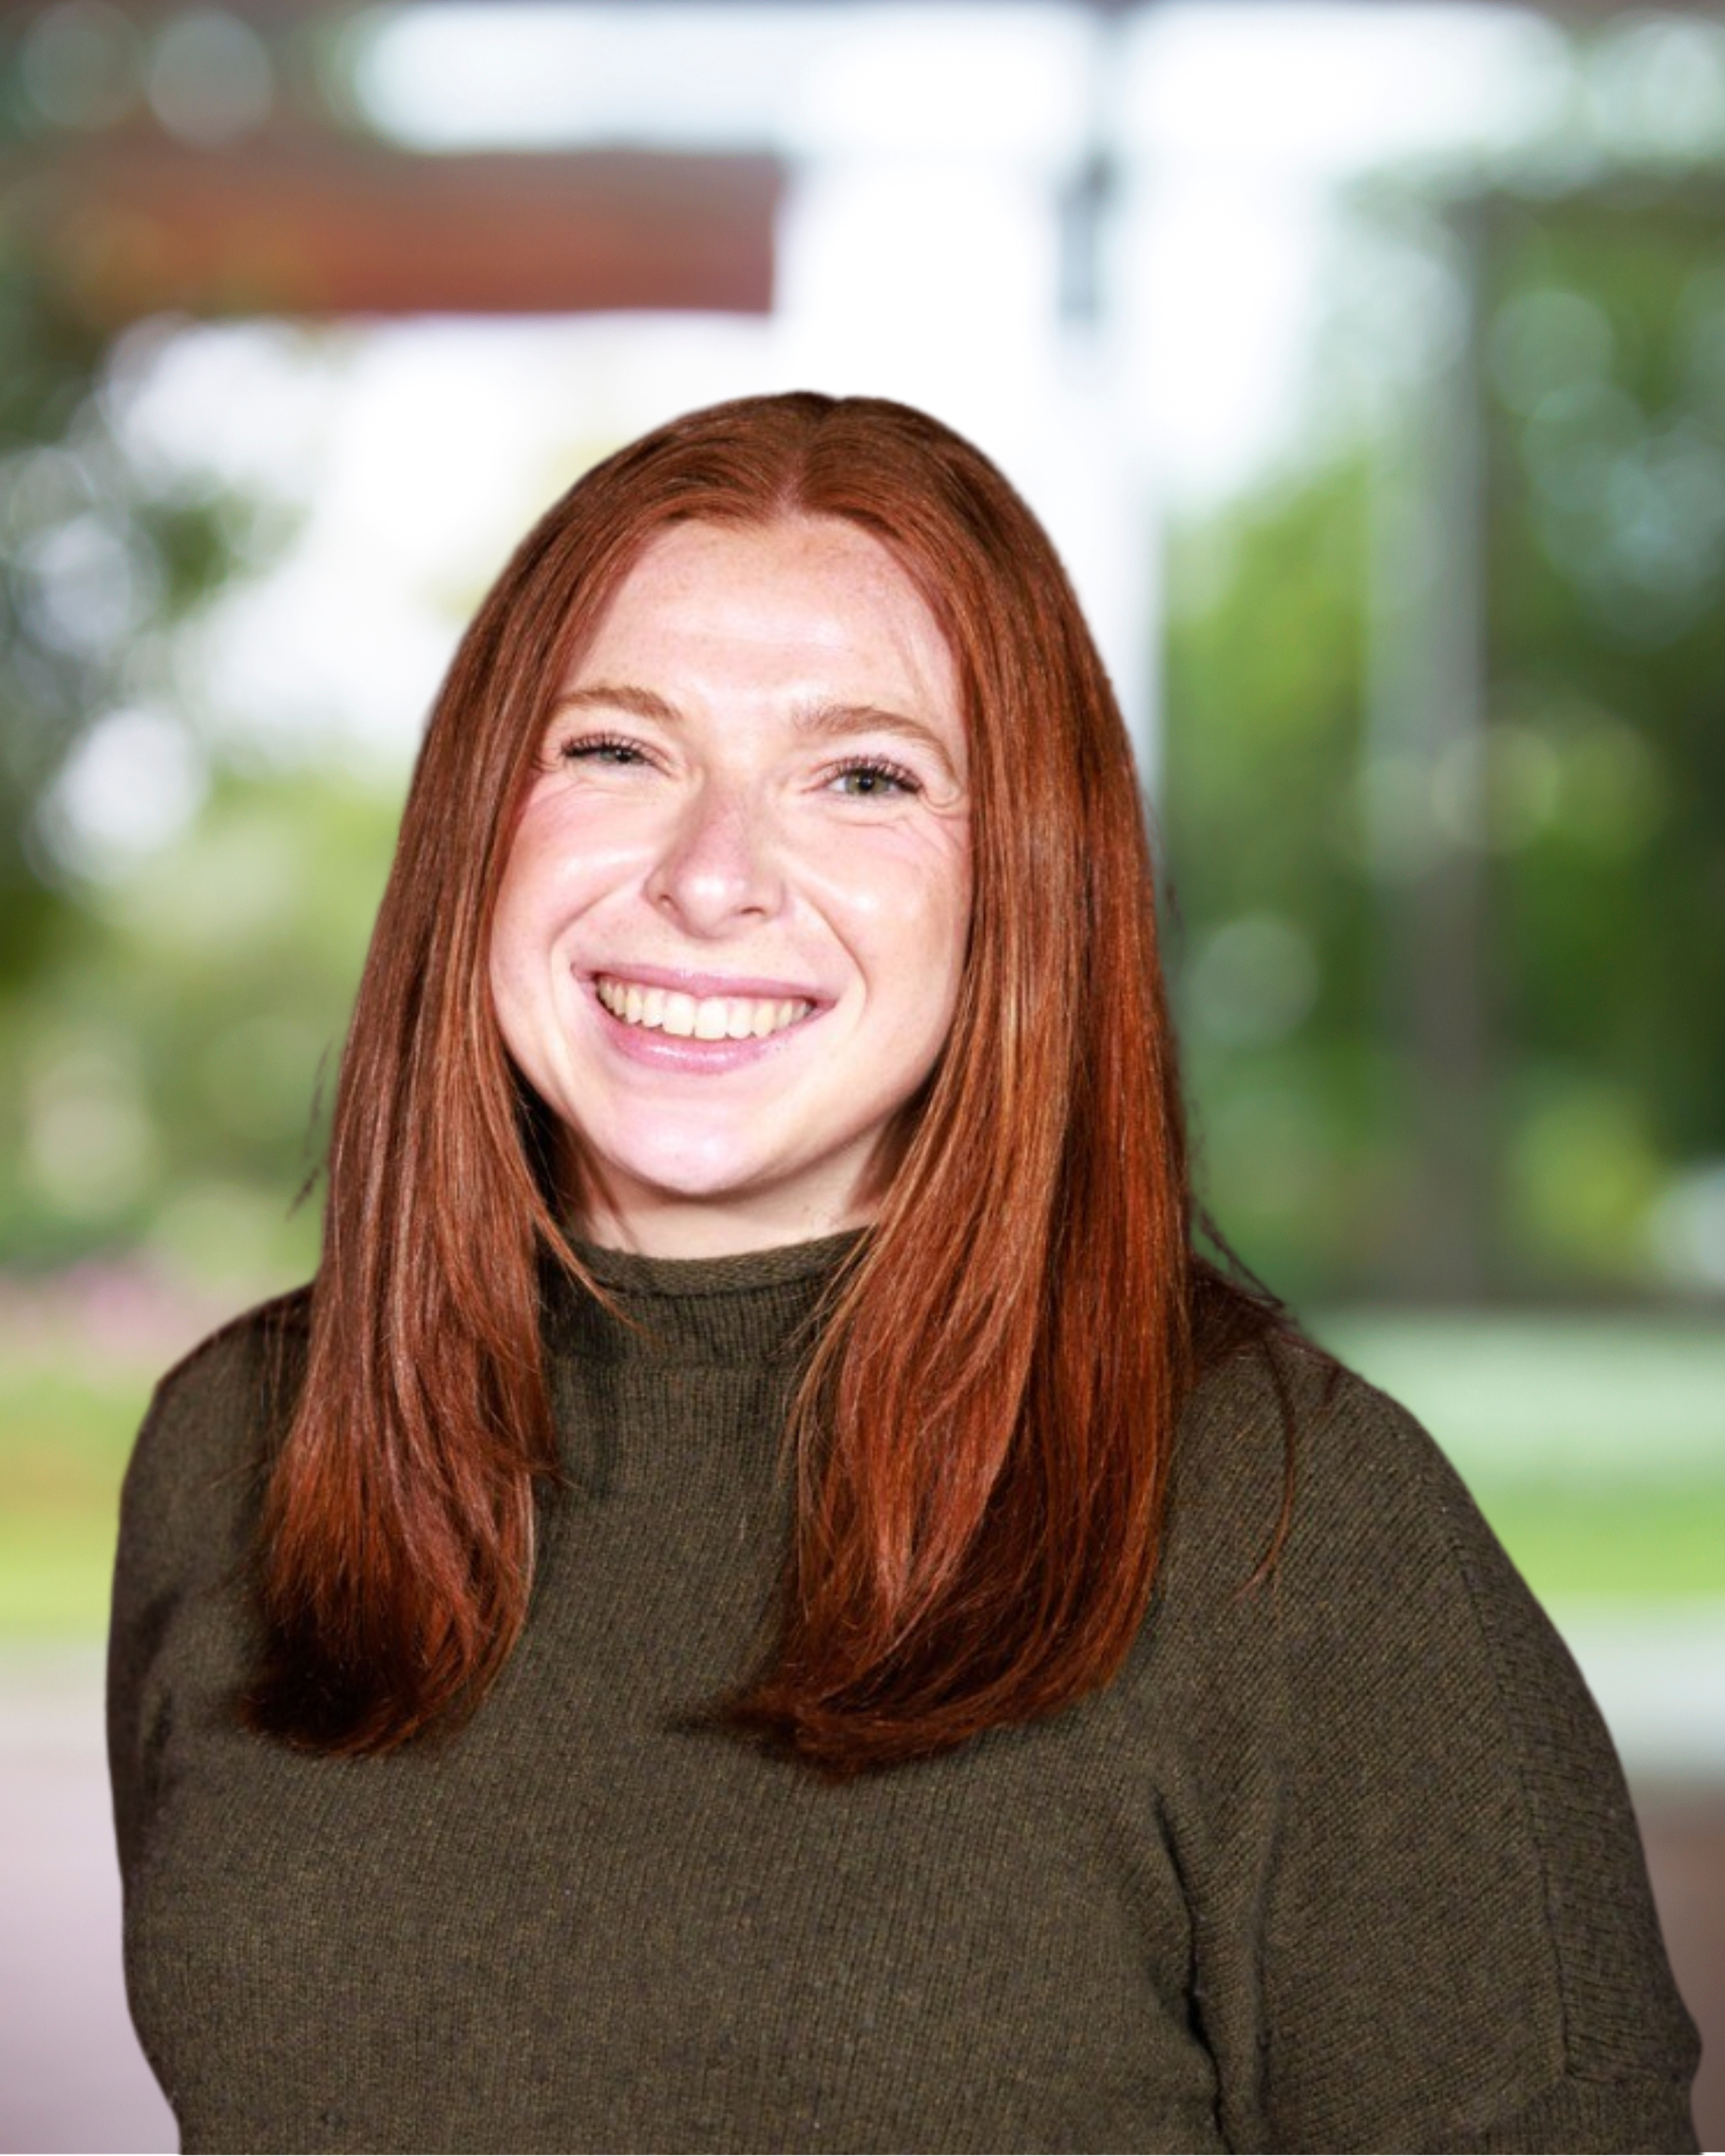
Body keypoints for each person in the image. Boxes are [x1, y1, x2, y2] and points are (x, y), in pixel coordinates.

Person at [108, 391, 1698, 2154]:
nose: (711, 878)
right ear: (478, 820)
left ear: (1023, 882)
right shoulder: (241, 1447)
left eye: (863, 776)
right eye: (615, 750)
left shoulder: (1288, 1519)